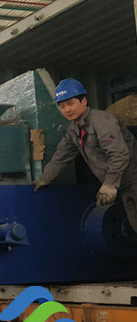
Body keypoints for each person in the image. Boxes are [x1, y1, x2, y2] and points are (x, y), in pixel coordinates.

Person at [33, 78, 137, 234]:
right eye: (62, 106)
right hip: (124, 185)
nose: (67, 110)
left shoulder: (103, 121)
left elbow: (119, 154)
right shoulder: (73, 130)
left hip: (133, 180)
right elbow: (61, 156)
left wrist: (110, 184)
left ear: (84, 101)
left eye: (70, 103)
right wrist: (44, 179)